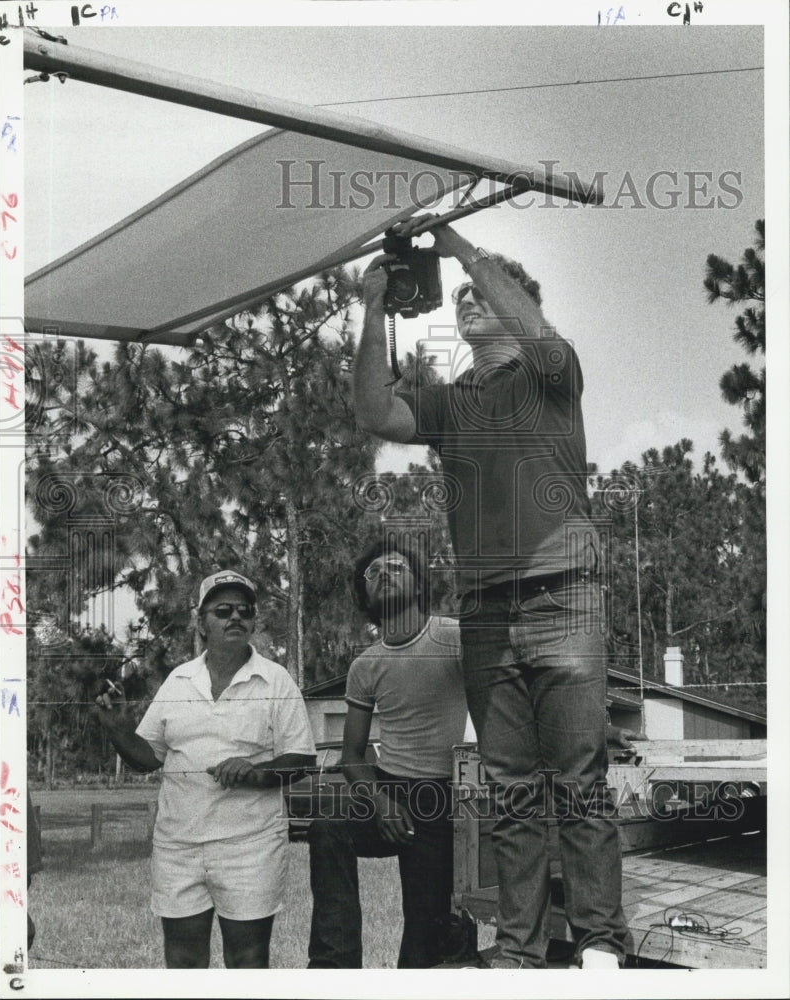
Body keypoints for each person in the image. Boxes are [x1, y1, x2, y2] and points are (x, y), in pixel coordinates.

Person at [352, 216, 631, 969]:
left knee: (576, 777)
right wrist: (374, 307)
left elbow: (538, 333)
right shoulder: (451, 401)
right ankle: (519, 949)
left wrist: (461, 250)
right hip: (484, 612)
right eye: (462, 294)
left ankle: (600, 943)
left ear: (517, 303)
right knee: (507, 789)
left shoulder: (550, 373)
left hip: (562, 595)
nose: (467, 297)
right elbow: (376, 412)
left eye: (484, 291)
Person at [95, 569, 316, 969]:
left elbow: (302, 758)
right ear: (201, 622)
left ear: (253, 622)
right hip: (178, 844)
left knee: (247, 959)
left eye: (244, 611)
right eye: (223, 611)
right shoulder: (179, 680)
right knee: (183, 960)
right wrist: (117, 729)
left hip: (250, 844)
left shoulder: (276, 680)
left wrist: (257, 771)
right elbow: (148, 757)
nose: (235, 618)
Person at [306, 539, 471, 968]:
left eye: (396, 567)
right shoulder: (366, 664)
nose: (383, 574)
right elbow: (352, 755)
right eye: (373, 573)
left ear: (419, 586)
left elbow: (521, 688)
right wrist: (380, 802)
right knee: (329, 823)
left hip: (443, 796)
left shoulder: (455, 636)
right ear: (366, 597)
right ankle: (335, 967)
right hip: (389, 788)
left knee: (426, 935)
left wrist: (599, 730)